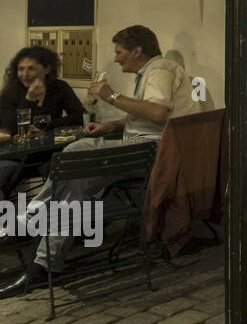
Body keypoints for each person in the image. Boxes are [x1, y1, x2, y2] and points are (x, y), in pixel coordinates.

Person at [0, 25, 199, 297]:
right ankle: (41, 254)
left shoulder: (160, 69)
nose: (116, 58)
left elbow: (157, 112)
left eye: (119, 52)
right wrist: (113, 125)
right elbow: (151, 119)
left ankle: (33, 227)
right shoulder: (154, 71)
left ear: (136, 51)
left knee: (73, 166)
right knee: (74, 165)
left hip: (152, 154)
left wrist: (112, 96)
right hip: (146, 148)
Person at [0, 46, 86, 198]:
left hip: (49, 153)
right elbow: (10, 127)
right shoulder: (11, 92)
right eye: (21, 69)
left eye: (31, 69)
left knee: (74, 171)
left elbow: (78, 117)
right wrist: (29, 100)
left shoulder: (59, 87)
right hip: (16, 156)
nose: (25, 74)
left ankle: (69, 214)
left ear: (47, 69)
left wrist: (47, 127)